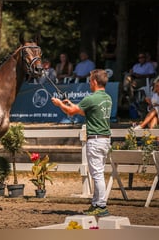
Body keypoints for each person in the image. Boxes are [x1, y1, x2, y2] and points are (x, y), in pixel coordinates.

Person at [52, 69, 112, 217]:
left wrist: (60, 104)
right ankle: (96, 203)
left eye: (90, 80)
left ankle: (102, 205)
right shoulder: (107, 98)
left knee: (97, 175)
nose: (89, 83)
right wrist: (72, 104)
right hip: (105, 140)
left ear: (95, 82)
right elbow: (86, 111)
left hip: (95, 140)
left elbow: (71, 112)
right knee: (98, 173)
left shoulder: (91, 98)